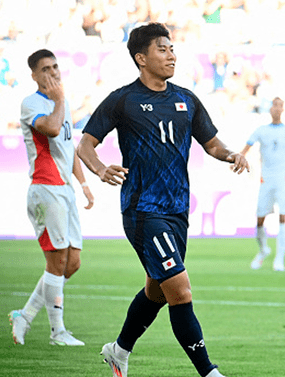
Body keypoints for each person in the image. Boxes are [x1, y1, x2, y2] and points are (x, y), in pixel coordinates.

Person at [76, 23, 249, 377]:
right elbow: (85, 144)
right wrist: (99, 169)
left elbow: (211, 143)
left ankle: (118, 350)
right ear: (141, 58)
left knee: (156, 290)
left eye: (172, 48)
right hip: (143, 210)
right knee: (181, 291)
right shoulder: (123, 99)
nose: (171, 55)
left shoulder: (186, 99)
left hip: (177, 211)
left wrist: (231, 154)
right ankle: (209, 372)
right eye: (162, 49)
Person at [9, 49, 94, 347]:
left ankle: (25, 315)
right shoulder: (32, 103)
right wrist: (58, 101)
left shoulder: (62, 103)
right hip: (45, 188)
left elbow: (68, 147)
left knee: (72, 263)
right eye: (45, 69)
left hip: (65, 190)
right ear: (34, 75)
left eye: (55, 66)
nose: (53, 72)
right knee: (57, 260)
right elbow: (52, 128)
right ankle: (57, 332)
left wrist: (83, 184)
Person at [241, 97, 285, 272]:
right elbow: (246, 148)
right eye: (274, 106)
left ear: (283, 109)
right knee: (260, 220)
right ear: (270, 109)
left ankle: (279, 259)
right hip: (266, 181)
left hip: (283, 181)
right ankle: (263, 250)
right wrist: (238, 159)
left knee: (283, 217)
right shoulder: (261, 130)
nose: (277, 109)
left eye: (280, 106)